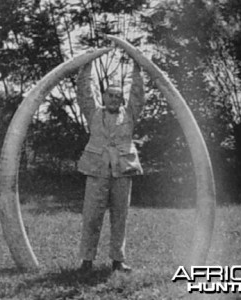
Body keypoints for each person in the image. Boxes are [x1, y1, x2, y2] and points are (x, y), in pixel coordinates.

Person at [76, 57, 145, 272]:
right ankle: (87, 261)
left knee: (120, 216)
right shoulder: (93, 112)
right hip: (97, 170)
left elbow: (138, 94)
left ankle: (118, 260)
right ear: (104, 97)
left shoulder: (130, 114)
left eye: (118, 96)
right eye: (111, 95)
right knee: (91, 216)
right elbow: (84, 92)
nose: (115, 99)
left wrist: (137, 68)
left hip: (122, 171)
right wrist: (87, 65)